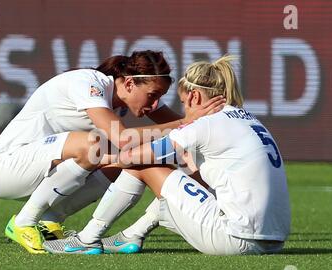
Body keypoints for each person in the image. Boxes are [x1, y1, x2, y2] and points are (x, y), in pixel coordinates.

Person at [43, 56, 291, 255]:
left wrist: (102, 159)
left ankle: (87, 239)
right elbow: (192, 177)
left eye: (184, 102)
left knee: (144, 164)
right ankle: (132, 236)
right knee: (182, 172)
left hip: (234, 239)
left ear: (194, 96)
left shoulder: (206, 124)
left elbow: (135, 157)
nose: (185, 109)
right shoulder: (250, 121)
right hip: (274, 240)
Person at [0, 50, 225, 254]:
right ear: (129, 83)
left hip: (41, 169)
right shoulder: (89, 83)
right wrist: (181, 124)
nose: (154, 105)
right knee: (97, 146)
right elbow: (123, 137)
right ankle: (23, 222)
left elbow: (182, 126)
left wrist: (212, 119)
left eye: (160, 97)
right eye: (153, 96)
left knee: (123, 164)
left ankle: (50, 221)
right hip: (7, 168)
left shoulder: (136, 91)